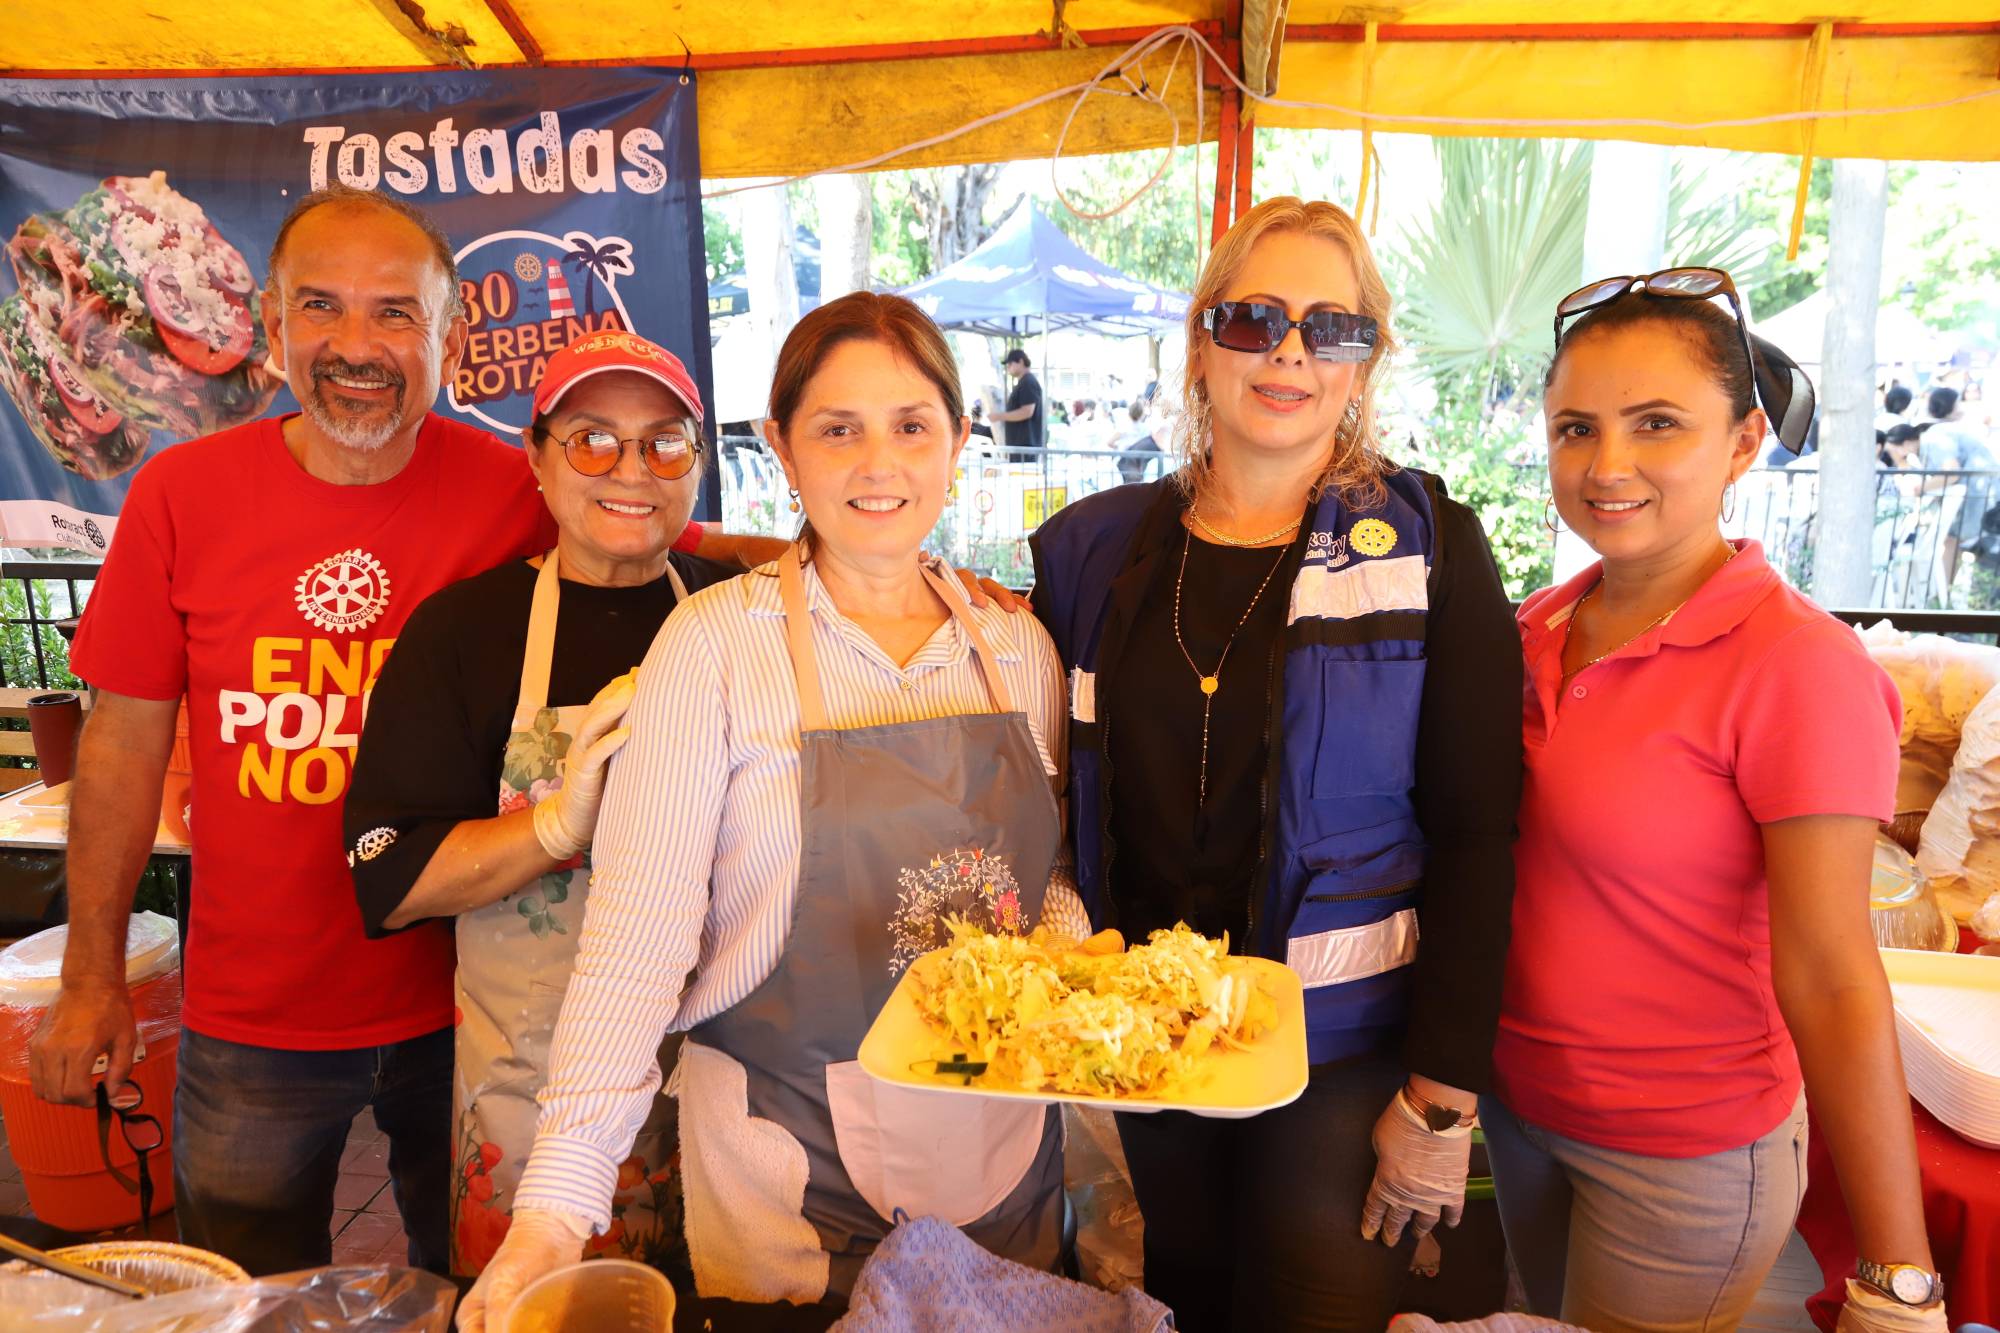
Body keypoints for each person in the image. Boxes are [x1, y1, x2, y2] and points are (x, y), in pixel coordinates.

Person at [26, 185, 784, 1276]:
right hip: (258, 1016)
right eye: (321, 309)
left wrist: (880, 569)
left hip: (473, 1016)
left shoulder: (515, 481)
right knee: (251, 1289)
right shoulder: (179, 494)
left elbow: (673, 532)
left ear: (449, 335)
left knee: (477, 1278)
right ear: (273, 328)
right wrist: (91, 976)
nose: (355, 345)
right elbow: (118, 749)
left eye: (395, 313)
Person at [459, 292, 1092, 1330]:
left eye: (910, 425)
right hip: (787, 1193)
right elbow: (635, 941)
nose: (876, 463)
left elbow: (1046, 877)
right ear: (782, 451)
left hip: (1002, 1166)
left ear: (958, 443)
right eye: (837, 428)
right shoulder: (711, 648)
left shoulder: (1017, 648)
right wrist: (554, 1212)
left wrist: (1066, 959)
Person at [1031, 196, 1522, 1331]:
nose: (1289, 350)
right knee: (1188, 1299)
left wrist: (1442, 1102)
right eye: (1251, 320)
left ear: (1363, 363)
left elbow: (1477, 829)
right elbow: (1036, 760)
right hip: (1148, 1040)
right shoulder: (1093, 550)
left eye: (1330, 328)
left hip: (1343, 1044)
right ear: (1201, 343)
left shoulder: (1430, 547)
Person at [1490, 270, 1947, 1332]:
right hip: (1519, 1112)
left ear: (1741, 442)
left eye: (1655, 425)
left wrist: (1898, 1270)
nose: (1606, 466)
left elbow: (1832, 973)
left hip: (1682, 1153)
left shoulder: (1797, 665)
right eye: (1574, 429)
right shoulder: (1531, 631)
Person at [342, 332, 735, 1279]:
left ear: (698, 461)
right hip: (539, 1099)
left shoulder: (738, 616)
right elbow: (390, 877)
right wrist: (556, 825)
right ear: (538, 455)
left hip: (728, 1097)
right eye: (593, 439)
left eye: (664, 442)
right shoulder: (465, 632)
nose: (631, 471)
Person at [1919, 384, 1998, 593]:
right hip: (1986, 494)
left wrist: (1920, 487)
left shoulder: (1937, 434)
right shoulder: (1956, 429)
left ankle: (1943, 595)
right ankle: (1953, 597)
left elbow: (1951, 472)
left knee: (1952, 541)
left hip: (1976, 496)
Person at [992, 347, 1045, 460]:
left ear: (1020, 361)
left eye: (1010, 363)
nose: (1008, 367)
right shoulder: (1025, 382)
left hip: (1025, 447)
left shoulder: (1028, 382)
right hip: (1020, 446)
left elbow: (1027, 412)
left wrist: (999, 416)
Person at [1114, 398, 1163, 484]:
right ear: (1141, 414)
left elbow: (1109, 442)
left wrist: (1118, 447)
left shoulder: (1124, 426)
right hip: (1139, 464)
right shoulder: (1147, 428)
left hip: (1124, 462)